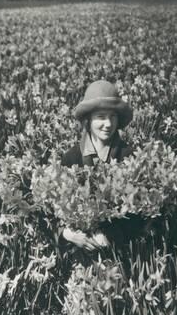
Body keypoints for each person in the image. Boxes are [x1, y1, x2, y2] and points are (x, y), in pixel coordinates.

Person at [60, 79, 149, 254]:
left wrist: (111, 236)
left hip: (119, 254)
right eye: (101, 117)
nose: (108, 124)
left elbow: (140, 215)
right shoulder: (71, 158)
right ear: (88, 120)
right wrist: (68, 234)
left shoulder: (130, 157)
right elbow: (53, 211)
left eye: (113, 116)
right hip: (77, 255)